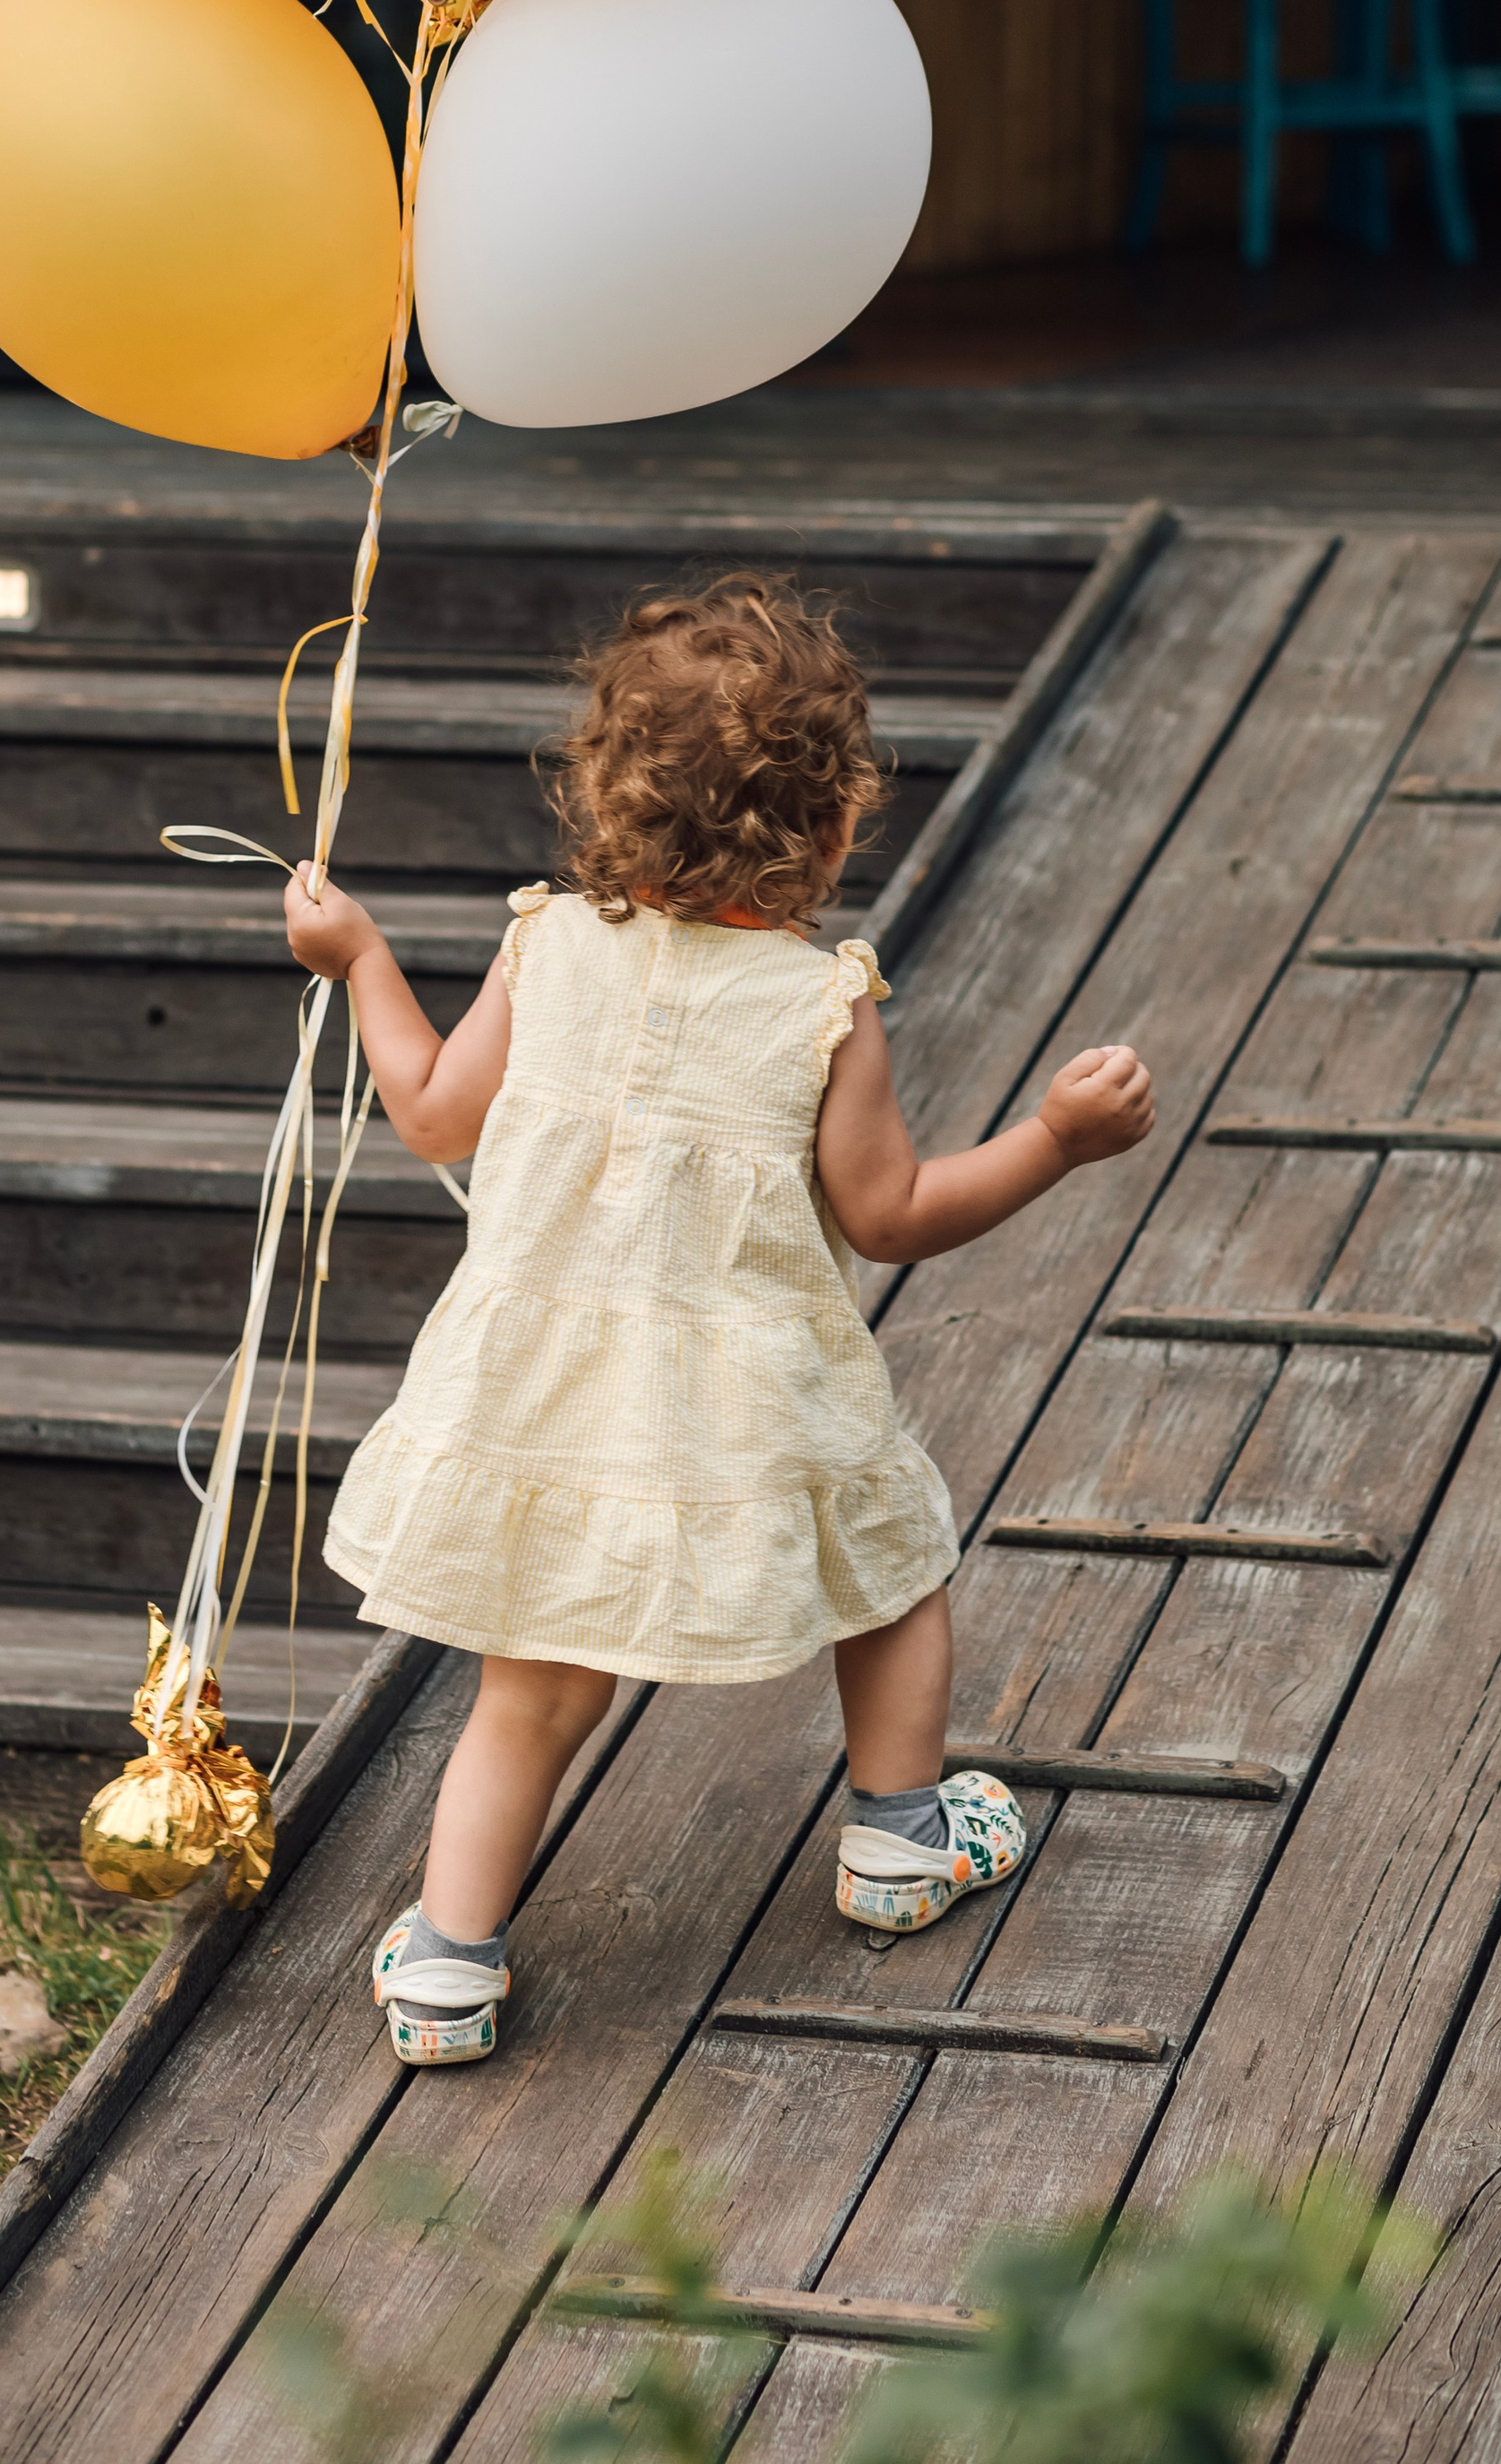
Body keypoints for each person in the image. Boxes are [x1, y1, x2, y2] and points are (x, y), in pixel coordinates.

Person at [283, 573, 1155, 2067]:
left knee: (531, 1685)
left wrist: (363, 961)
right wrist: (1055, 1142)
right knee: (889, 1571)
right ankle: (897, 1838)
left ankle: (444, 1968)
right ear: (829, 825)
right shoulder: (821, 1001)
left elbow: (430, 1111)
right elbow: (892, 1216)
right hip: (749, 1394)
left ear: (606, 801)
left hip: (546, 1395)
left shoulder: (544, 945)